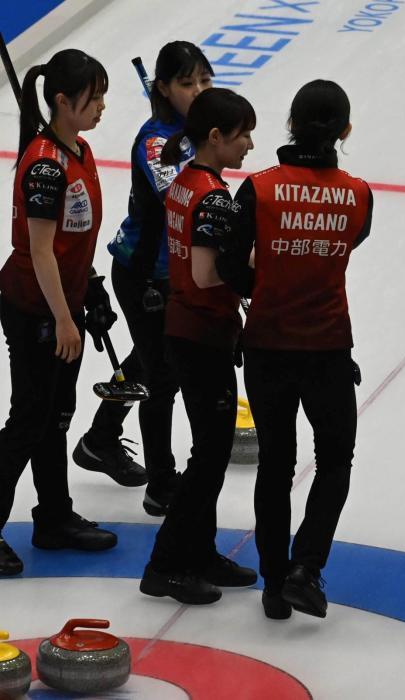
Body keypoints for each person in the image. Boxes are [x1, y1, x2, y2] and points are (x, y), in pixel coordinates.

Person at [217, 79, 373, 621]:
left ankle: (274, 582)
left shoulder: (258, 189)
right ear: (345, 131)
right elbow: (348, 242)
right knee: (335, 458)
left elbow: (230, 265)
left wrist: (263, 284)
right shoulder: (358, 194)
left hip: (267, 346)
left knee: (276, 465)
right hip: (328, 347)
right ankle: (307, 567)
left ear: (290, 124)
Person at [72, 41, 214, 512]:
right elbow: (182, 200)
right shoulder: (157, 142)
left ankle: (100, 438)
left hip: (174, 271)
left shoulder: (195, 132)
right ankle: (162, 484)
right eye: (187, 83)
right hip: (143, 274)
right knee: (162, 377)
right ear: (164, 88)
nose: (198, 91)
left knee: (151, 358)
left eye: (205, 81)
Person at [138, 88, 257, 604]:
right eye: (243, 134)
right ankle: (165, 564)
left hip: (188, 328)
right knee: (209, 455)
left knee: (209, 449)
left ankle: (200, 552)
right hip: (201, 332)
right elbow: (208, 274)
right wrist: (259, 262)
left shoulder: (188, 182)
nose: (249, 144)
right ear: (215, 137)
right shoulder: (212, 196)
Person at [0, 49, 116, 576]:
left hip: (62, 301)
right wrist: (64, 319)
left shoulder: (78, 150)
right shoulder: (46, 166)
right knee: (28, 420)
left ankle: (53, 517)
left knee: (55, 418)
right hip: (34, 308)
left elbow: (74, 238)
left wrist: (89, 287)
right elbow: (41, 250)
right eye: (94, 98)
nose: (102, 107)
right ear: (63, 101)